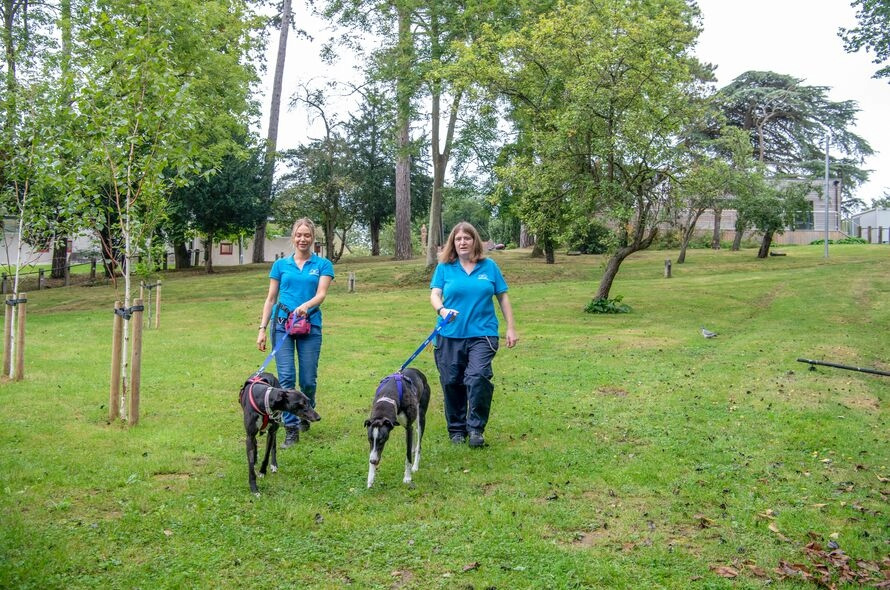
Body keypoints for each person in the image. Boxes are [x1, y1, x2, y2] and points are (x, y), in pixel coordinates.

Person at [430, 221, 517, 448]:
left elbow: (503, 297)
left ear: (474, 241)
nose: (462, 242)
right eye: (458, 239)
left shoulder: (489, 267)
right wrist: (442, 309)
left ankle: (476, 428)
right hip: (450, 334)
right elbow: (435, 294)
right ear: (453, 243)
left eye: (466, 238)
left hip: (483, 334)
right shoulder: (444, 268)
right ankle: (457, 430)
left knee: (477, 377)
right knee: (451, 382)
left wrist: (510, 327)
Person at [257, 218, 334, 449]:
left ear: (313, 238)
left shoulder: (322, 264)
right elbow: (271, 298)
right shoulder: (280, 265)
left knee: (308, 380)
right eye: (299, 235)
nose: (303, 239)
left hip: (310, 325)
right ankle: (291, 429)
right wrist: (261, 329)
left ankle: (305, 411)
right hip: (282, 326)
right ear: (293, 237)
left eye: (307, 235)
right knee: (287, 378)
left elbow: (321, 294)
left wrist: (306, 306)